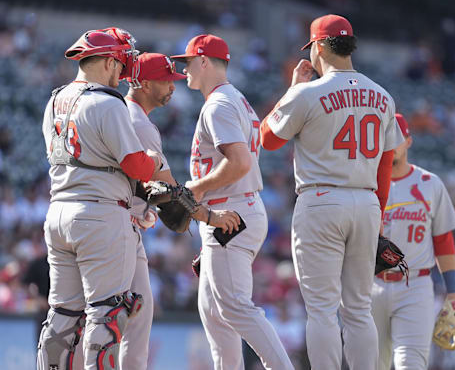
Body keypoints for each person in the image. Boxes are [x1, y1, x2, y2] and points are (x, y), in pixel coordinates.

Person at [259, 14, 405, 370]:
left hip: (322, 200)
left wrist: (291, 89)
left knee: (322, 309)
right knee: (357, 308)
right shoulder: (382, 96)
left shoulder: (307, 93)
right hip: (367, 202)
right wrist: (378, 217)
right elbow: (386, 167)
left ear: (320, 46)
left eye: (311, 47)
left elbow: (267, 139)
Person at [37, 27, 164, 370]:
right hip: (99, 216)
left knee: (62, 316)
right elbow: (136, 165)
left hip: (59, 211)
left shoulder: (55, 98)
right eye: (121, 64)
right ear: (108, 62)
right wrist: (156, 161)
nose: (123, 74)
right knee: (107, 313)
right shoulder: (107, 102)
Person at [171, 34, 294, 370]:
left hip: (230, 212)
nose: (184, 70)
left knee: (234, 308)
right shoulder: (235, 99)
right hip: (235, 209)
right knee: (214, 313)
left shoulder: (219, 104)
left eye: (188, 62)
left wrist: (197, 188)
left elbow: (239, 162)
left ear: (204, 61)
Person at [120, 51, 242, 368]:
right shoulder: (138, 123)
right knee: (135, 316)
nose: (173, 86)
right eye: (165, 80)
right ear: (143, 83)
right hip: (119, 229)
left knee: (99, 316)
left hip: (108, 223)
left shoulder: (119, 114)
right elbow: (170, 192)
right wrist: (211, 217)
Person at [370, 113, 455, 370]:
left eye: (396, 139)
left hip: (415, 285)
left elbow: (443, 240)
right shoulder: (364, 183)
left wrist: (452, 290)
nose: (390, 144)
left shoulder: (429, 184)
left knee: (410, 364)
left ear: (408, 141)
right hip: (370, 285)